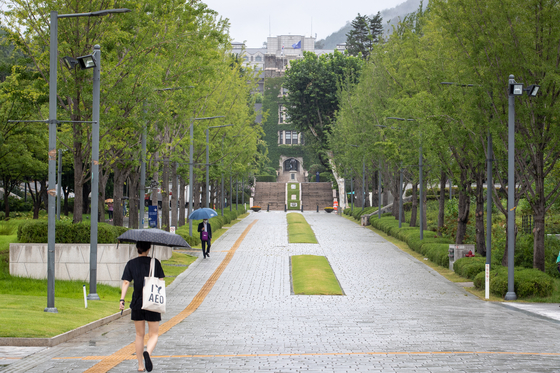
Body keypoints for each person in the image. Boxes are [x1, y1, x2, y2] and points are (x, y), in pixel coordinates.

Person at [120, 241, 165, 372]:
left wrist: (122, 299)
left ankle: (140, 366)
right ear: (149, 248)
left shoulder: (131, 263)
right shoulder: (155, 262)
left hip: (137, 303)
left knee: (139, 335)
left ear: (137, 248)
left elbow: (126, 282)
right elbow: (161, 282)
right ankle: (148, 353)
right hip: (152, 302)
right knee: (154, 334)